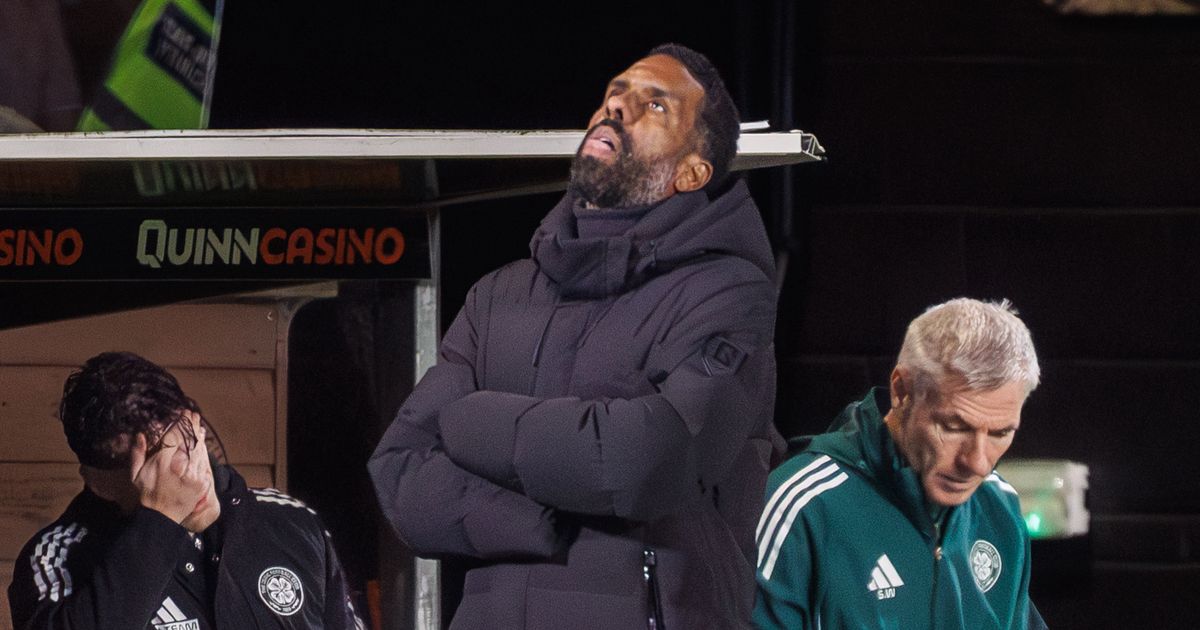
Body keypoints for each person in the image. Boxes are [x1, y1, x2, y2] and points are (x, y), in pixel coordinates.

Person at [369, 43, 780, 629]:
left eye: (655, 106)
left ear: (692, 173)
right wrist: (543, 518)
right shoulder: (499, 294)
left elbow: (651, 461)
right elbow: (402, 472)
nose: (618, 108)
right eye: (615, 93)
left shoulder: (728, 293)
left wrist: (471, 420)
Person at [8, 351, 364, 629]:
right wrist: (159, 519)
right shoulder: (58, 557)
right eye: (152, 468)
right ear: (99, 483)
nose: (187, 478)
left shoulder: (290, 522)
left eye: (186, 444)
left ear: (196, 423)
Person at [754, 298, 1048, 629]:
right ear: (901, 390)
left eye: (1000, 433)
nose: (978, 463)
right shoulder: (800, 508)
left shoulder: (1000, 506)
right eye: (954, 427)